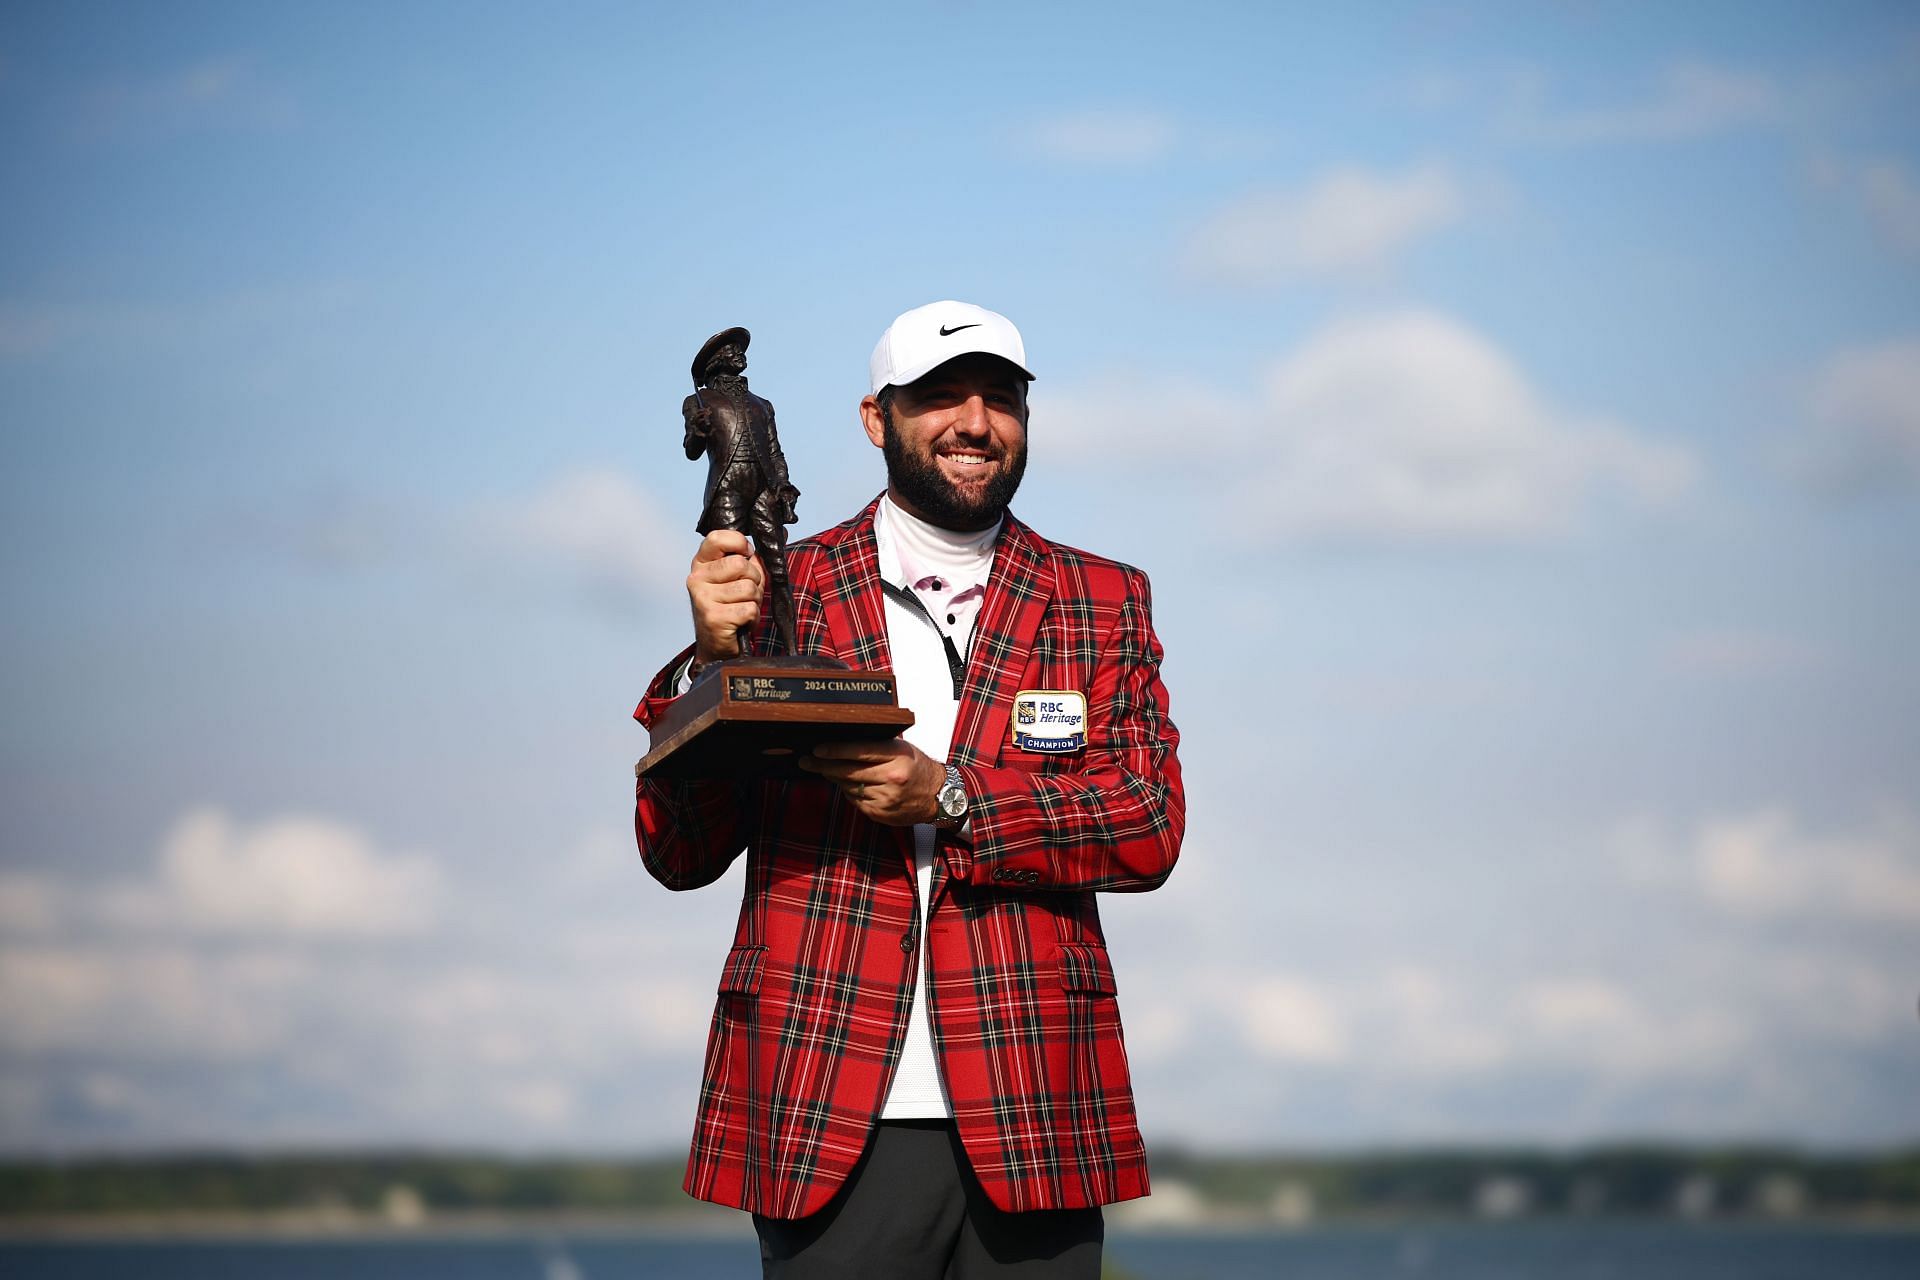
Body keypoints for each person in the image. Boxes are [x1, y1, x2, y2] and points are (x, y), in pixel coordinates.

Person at [633, 300, 1184, 1278]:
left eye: (1002, 398)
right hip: (824, 1110)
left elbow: (1146, 822)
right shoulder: (776, 588)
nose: (976, 421)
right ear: (874, 417)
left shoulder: (1104, 599)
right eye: (939, 395)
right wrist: (708, 664)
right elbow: (680, 851)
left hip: (1035, 1114)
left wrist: (953, 794)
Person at [681, 325, 801, 652]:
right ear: (716, 361)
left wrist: (783, 483)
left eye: (740, 350)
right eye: (732, 351)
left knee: (779, 572)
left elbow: (775, 451)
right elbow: (691, 449)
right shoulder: (699, 401)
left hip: (764, 489)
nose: (739, 355)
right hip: (727, 487)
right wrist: (699, 429)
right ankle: (744, 653)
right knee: (735, 572)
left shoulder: (763, 405)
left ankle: (792, 650)